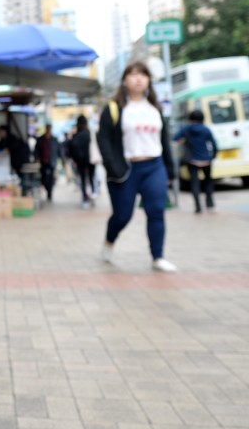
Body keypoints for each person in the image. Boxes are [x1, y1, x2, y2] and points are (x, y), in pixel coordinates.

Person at [96, 61, 177, 272]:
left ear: (149, 79)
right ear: (124, 80)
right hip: (126, 170)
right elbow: (103, 140)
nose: (138, 79)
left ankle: (158, 256)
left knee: (156, 211)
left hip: (154, 166)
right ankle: (109, 241)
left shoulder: (155, 108)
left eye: (143, 74)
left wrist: (170, 169)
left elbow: (164, 140)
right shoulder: (114, 108)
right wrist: (112, 168)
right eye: (133, 75)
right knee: (123, 215)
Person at [173, 109, 218, 213]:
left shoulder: (186, 129)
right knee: (208, 182)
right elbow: (214, 145)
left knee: (194, 183)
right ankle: (210, 203)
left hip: (192, 160)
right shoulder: (206, 129)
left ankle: (198, 206)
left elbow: (175, 138)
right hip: (206, 160)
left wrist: (184, 141)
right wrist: (213, 156)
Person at [68, 115, 94, 208]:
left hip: (80, 161)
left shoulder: (76, 136)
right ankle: (92, 195)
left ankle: (85, 198)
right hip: (91, 161)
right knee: (91, 178)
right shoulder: (89, 134)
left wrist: (75, 159)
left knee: (83, 180)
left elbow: (71, 149)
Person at [34, 125, 61, 201]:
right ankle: (46, 188)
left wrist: (62, 160)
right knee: (43, 178)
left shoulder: (54, 139)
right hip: (43, 162)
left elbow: (58, 150)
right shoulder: (41, 139)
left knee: (51, 178)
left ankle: (50, 192)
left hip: (52, 161)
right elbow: (36, 150)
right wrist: (37, 159)